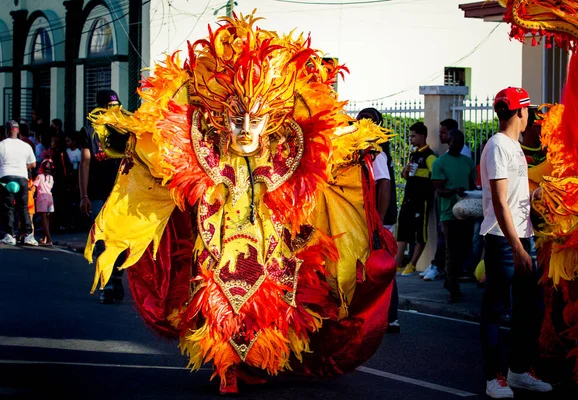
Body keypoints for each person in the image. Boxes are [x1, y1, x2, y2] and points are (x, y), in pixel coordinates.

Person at [84, 12, 396, 395]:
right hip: (217, 249)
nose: (246, 127)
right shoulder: (200, 149)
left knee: (276, 309)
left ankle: (264, 360)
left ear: (272, 119)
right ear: (220, 119)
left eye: (255, 118)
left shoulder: (292, 150)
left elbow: (328, 161)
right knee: (218, 309)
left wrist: (352, 149)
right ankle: (228, 368)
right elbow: (158, 154)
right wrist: (129, 137)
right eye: (236, 118)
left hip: (274, 249)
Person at [479, 87, 552, 398]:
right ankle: (494, 377)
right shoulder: (498, 146)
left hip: (523, 238)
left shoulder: (514, 146)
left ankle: (519, 371)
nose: (530, 119)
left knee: (530, 308)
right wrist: (518, 248)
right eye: (528, 113)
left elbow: (513, 196)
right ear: (520, 113)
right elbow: (499, 202)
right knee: (495, 309)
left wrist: (539, 196)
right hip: (502, 240)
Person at [356, 107, 400, 334]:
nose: (365, 124)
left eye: (370, 121)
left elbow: (384, 185)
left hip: (379, 220)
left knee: (381, 267)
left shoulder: (377, 153)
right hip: (367, 218)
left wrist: (379, 222)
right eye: (361, 120)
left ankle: (390, 316)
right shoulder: (362, 150)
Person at [79, 90, 125, 304]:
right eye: (109, 106)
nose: (112, 110)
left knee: (121, 239)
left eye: (115, 105)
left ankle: (115, 279)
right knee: (102, 239)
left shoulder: (125, 129)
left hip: (122, 193)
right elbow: (85, 163)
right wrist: (84, 195)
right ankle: (107, 284)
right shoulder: (88, 131)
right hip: (98, 192)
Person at [431, 129, 476, 303]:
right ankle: (453, 287)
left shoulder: (468, 162)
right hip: (448, 213)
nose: (454, 145)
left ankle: (452, 279)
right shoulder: (439, 163)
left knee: (464, 248)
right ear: (447, 143)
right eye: (452, 142)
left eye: (458, 142)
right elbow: (439, 190)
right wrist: (454, 191)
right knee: (451, 250)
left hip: (466, 211)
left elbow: (472, 185)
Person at [396, 122, 437, 276]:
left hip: (421, 201)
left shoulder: (430, 156)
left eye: (413, 136)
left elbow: (435, 176)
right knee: (403, 231)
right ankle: (397, 262)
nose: (411, 139)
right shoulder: (413, 154)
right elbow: (407, 176)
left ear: (422, 136)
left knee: (420, 233)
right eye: (410, 136)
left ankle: (412, 264)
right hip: (408, 199)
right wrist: (405, 171)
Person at [0, 120, 38, 246]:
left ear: (7, 130)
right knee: (23, 207)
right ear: (18, 131)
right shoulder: (25, 146)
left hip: (6, 177)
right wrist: (22, 166)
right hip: (22, 177)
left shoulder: (2, 145)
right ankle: (28, 235)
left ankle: (10, 235)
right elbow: (33, 164)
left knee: (8, 207)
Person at [34, 159, 55, 246]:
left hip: (41, 197)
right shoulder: (51, 177)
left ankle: (49, 239)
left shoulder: (39, 176)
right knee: (47, 219)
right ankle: (45, 238)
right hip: (50, 197)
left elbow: (34, 186)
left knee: (43, 220)